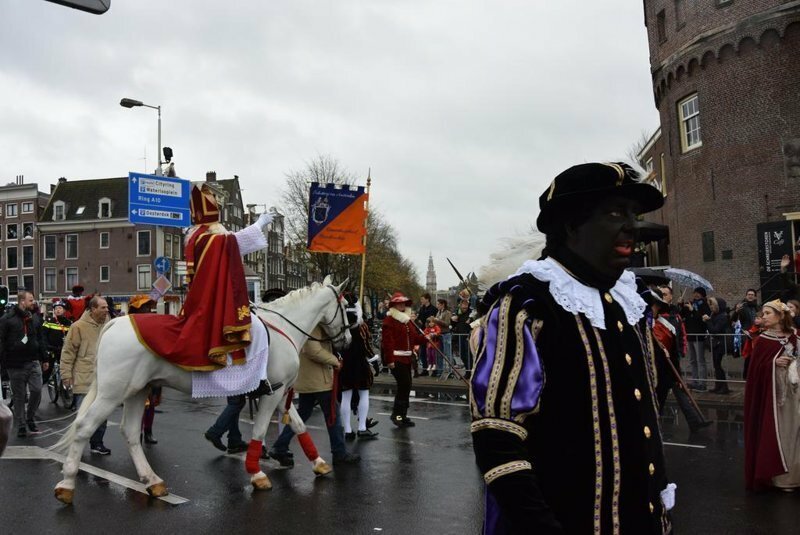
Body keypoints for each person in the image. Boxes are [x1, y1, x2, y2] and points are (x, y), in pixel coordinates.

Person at [470, 162, 673, 533]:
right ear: (570, 225)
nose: (632, 225)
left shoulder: (630, 302)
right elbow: (497, 436)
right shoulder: (529, 303)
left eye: (634, 214)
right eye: (615, 213)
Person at [129, 183, 272, 369]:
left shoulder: (199, 236)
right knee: (256, 328)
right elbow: (234, 242)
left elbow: (230, 243)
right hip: (211, 300)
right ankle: (254, 375)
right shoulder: (210, 238)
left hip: (201, 297)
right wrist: (259, 224)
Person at [205, 287, 287, 455]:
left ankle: (234, 439)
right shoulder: (251, 318)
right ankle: (215, 431)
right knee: (237, 403)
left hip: (233, 364)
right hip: (237, 366)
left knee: (234, 402)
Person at [268, 325, 360, 465]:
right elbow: (313, 350)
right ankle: (339, 452)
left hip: (310, 379)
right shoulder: (313, 326)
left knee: (302, 414)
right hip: (318, 379)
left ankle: (280, 446)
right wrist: (334, 361)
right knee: (333, 415)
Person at [744, 300, 800, 491]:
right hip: (774, 398)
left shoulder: (793, 337)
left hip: (794, 393)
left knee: (795, 433)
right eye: (763, 313)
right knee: (780, 433)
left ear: (780, 316)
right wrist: (774, 363)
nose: (764, 316)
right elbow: (755, 371)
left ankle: (795, 476)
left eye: (768, 313)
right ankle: (779, 478)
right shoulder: (763, 340)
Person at [649, 287, 711, 432]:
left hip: (669, 364)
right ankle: (653, 425)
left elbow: (675, 337)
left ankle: (693, 421)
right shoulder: (650, 321)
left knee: (674, 394)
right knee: (660, 397)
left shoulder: (671, 316)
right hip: (659, 368)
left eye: (665, 294)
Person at [60, 296, 110, 454]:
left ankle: (97, 443)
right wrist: (65, 375)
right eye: (103, 307)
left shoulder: (109, 326)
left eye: (107, 307)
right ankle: (76, 446)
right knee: (83, 414)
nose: (106, 310)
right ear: (93, 309)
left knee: (102, 414)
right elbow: (68, 352)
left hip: (103, 379)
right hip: (83, 378)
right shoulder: (78, 327)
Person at [0, 291, 48, 438]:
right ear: (22, 302)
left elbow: (40, 338)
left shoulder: (34, 318)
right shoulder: (7, 319)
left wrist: (44, 358)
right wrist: (3, 365)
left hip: (33, 361)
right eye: (31, 300)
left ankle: (30, 417)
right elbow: (1, 342)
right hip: (15, 364)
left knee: (37, 390)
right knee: (19, 396)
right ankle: (21, 424)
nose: (33, 302)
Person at [382, 292, 427, 427]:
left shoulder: (407, 321)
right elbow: (387, 342)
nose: (401, 305)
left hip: (407, 358)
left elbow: (414, 339)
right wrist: (389, 360)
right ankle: (398, 416)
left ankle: (403, 415)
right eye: (398, 303)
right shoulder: (389, 321)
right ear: (394, 305)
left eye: (403, 303)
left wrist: (427, 337)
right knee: (404, 386)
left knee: (406, 387)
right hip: (396, 358)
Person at [339, 293, 379, 441]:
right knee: (363, 394)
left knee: (346, 396)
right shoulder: (361, 326)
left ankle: (348, 430)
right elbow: (366, 345)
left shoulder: (339, 326)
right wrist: (373, 360)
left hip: (345, 363)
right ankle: (362, 427)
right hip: (359, 363)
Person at [127, 295, 161, 445]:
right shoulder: (129, 325)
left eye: (148, 307)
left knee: (151, 403)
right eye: (144, 307)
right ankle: (137, 434)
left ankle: (148, 431)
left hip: (152, 368)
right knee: (138, 404)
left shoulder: (153, 323)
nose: (148, 310)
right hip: (135, 369)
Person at [682, 287, 712, 391]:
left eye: (698, 293)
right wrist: (681, 305)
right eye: (695, 293)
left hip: (699, 336)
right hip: (690, 335)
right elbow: (682, 315)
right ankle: (695, 381)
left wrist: (693, 310)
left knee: (700, 360)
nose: (696, 295)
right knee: (692, 360)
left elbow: (703, 318)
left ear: (702, 295)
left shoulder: (704, 304)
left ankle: (702, 383)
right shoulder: (690, 303)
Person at [42, 300, 72, 385]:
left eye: (60, 308)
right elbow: (43, 335)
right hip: (51, 349)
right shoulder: (49, 321)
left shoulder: (69, 323)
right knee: (47, 371)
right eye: (56, 308)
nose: (58, 310)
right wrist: (47, 346)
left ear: (64, 310)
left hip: (64, 350)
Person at [705, 297, 732, 394]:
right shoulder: (715, 315)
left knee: (718, 365)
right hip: (716, 343)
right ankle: (718, 385)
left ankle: (724, 387)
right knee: (716, 365)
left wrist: (708, 321)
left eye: (712, 305)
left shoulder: (722, 316)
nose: (711, 307)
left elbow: (715, 330)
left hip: (720, 343)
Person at [415, 293, 437, 376]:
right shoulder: (421, 308)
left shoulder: (433, 309)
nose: (421, 301)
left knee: (432, 353)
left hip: (431, 333)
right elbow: (420, 319)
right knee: (423, 352)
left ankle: (435, 370)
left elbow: (433, 321)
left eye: (422, 299)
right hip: (423, 332)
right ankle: (425, 370)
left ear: (427, 299)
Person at [451, 299, 473, 375]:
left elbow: (475, 323)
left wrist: (471, 320)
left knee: (468, 354)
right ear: (460, 305)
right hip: (459, 336)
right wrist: (453, 320)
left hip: (467, 336)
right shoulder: (457, 312)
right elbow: (453, 325)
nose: (465, 306)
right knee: (462, 354)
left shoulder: (471, 313)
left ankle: (470, 371)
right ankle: (467, 370)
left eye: (466, 305)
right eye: (463, 305)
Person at [430, 299, 452, 377]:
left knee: (448, 353)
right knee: (439, 353)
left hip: (446, 334)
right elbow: (436, 323)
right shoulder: (438, 312)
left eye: (438, 304)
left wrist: (437, 320)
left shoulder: (447, 313)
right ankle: (439, 371)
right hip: (439, 335)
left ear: (443, 305)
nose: (437, 306)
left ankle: (450, 371)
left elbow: (447, 324)